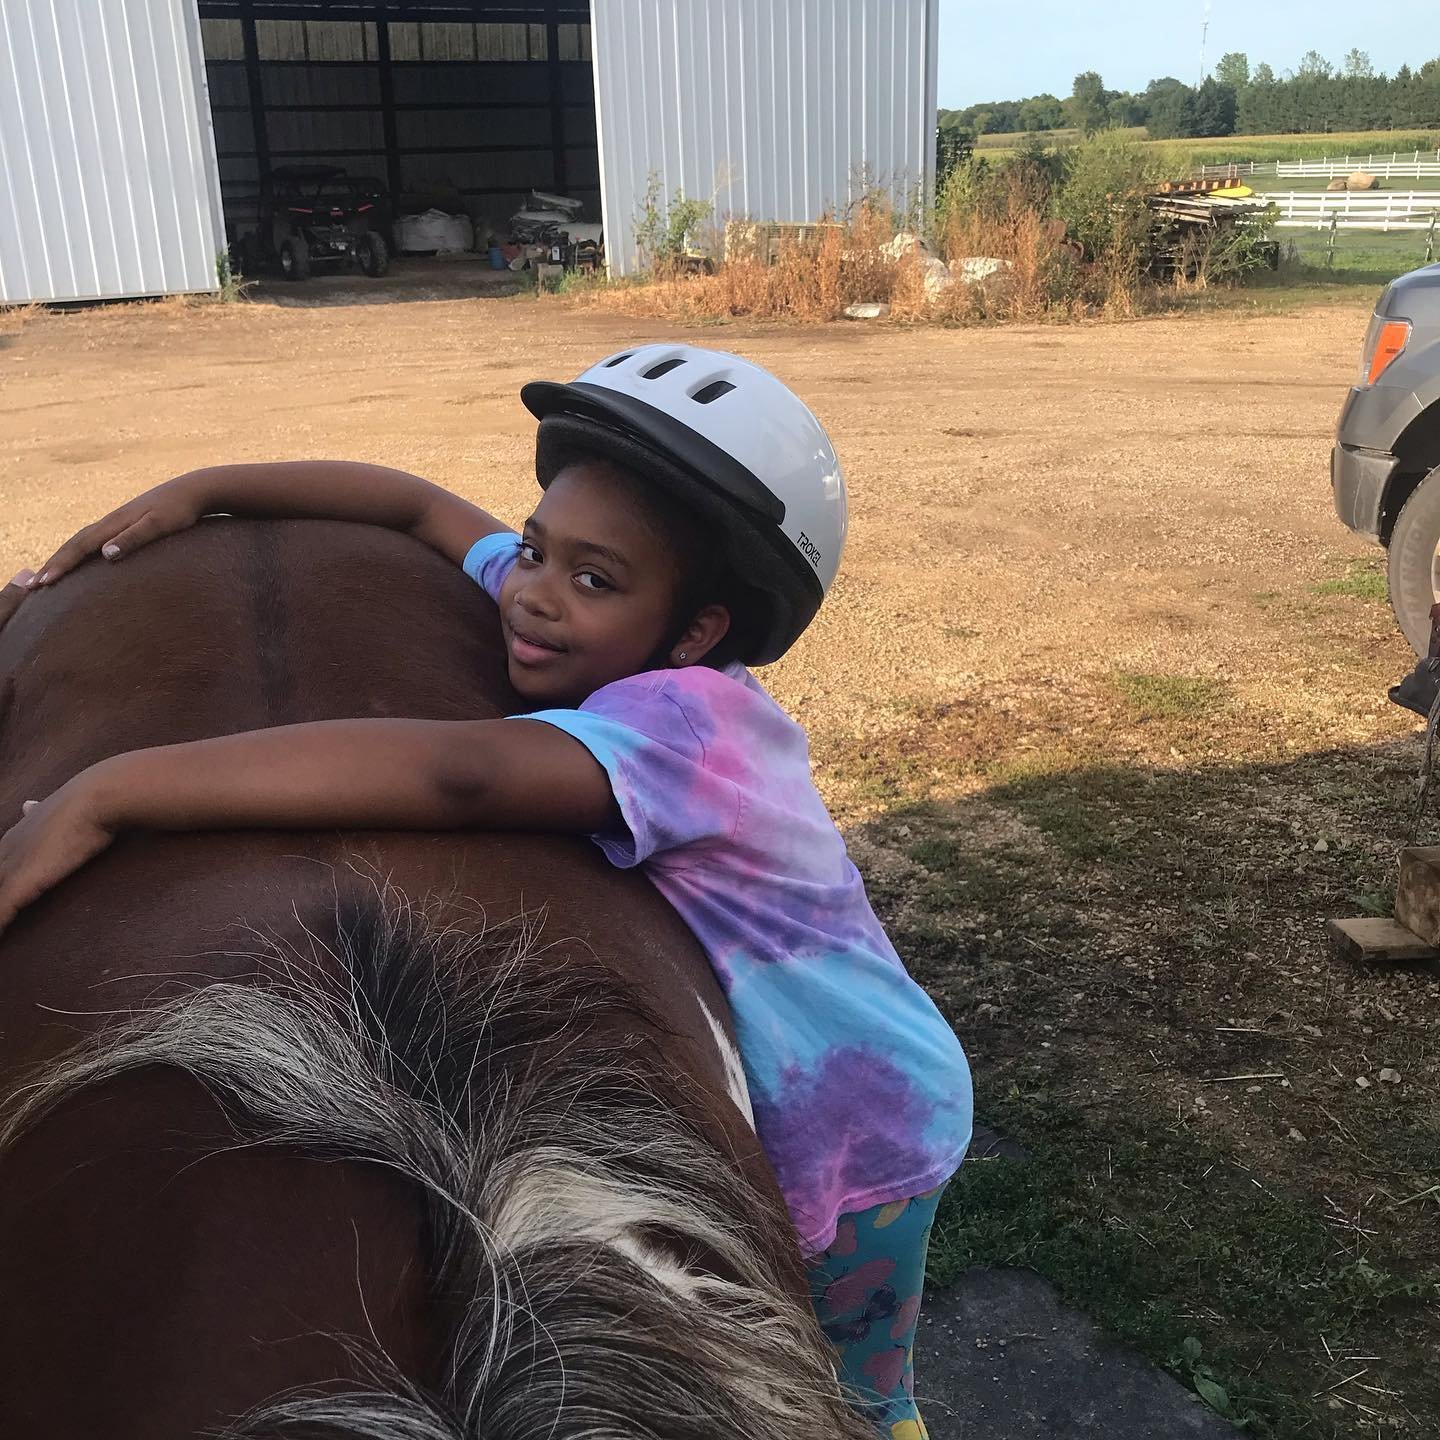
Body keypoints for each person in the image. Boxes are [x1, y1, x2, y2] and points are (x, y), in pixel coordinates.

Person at [1, 344, 971, 1438]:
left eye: (590, 579)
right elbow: (414, 508)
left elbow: (455, 773)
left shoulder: (686, 735)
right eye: (537, 551)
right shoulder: (581, 611)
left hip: (861, 1117)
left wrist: (111, 792)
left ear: (697, 632)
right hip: (834, 1062)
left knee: (829, 1386)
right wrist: (206, 491)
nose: (535, 596)